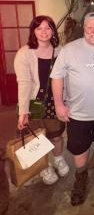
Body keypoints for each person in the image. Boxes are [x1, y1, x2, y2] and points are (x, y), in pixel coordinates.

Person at [51, 12, 94, 206]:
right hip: (77, 113)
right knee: (80, 148)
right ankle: (80, 177)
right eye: (90, 28)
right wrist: (58, 104)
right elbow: (57, 77)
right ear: (84, 27)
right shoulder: (69, 49)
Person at [14, 15, 69, 185]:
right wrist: (23, 112)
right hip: (35, 102)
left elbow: (68, 77)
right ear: (33, 31)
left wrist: (68, 100)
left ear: (53, 30)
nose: (44, 32)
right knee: (38, 137)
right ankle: (44, 167)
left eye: (48, 28)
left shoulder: (61, 50)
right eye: (39, 28)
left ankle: (58, 159)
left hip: (56, 100)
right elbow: (24, 83)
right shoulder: (24, 53)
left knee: (57, 135)